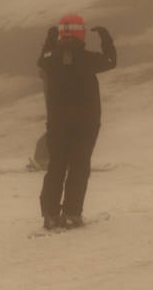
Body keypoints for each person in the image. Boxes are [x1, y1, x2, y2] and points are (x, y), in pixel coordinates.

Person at [38, 14, 117, 230]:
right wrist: (105, 38)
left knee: (56, 167)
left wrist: (50, 40)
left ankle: (50, 215)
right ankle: (72, 214)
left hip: (57, 125)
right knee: (79, 167)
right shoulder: (88, 59)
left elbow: (41, 60)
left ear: (61, 33)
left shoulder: (51, 59)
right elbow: (111, 61)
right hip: (86, 124)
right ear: (81, 33)